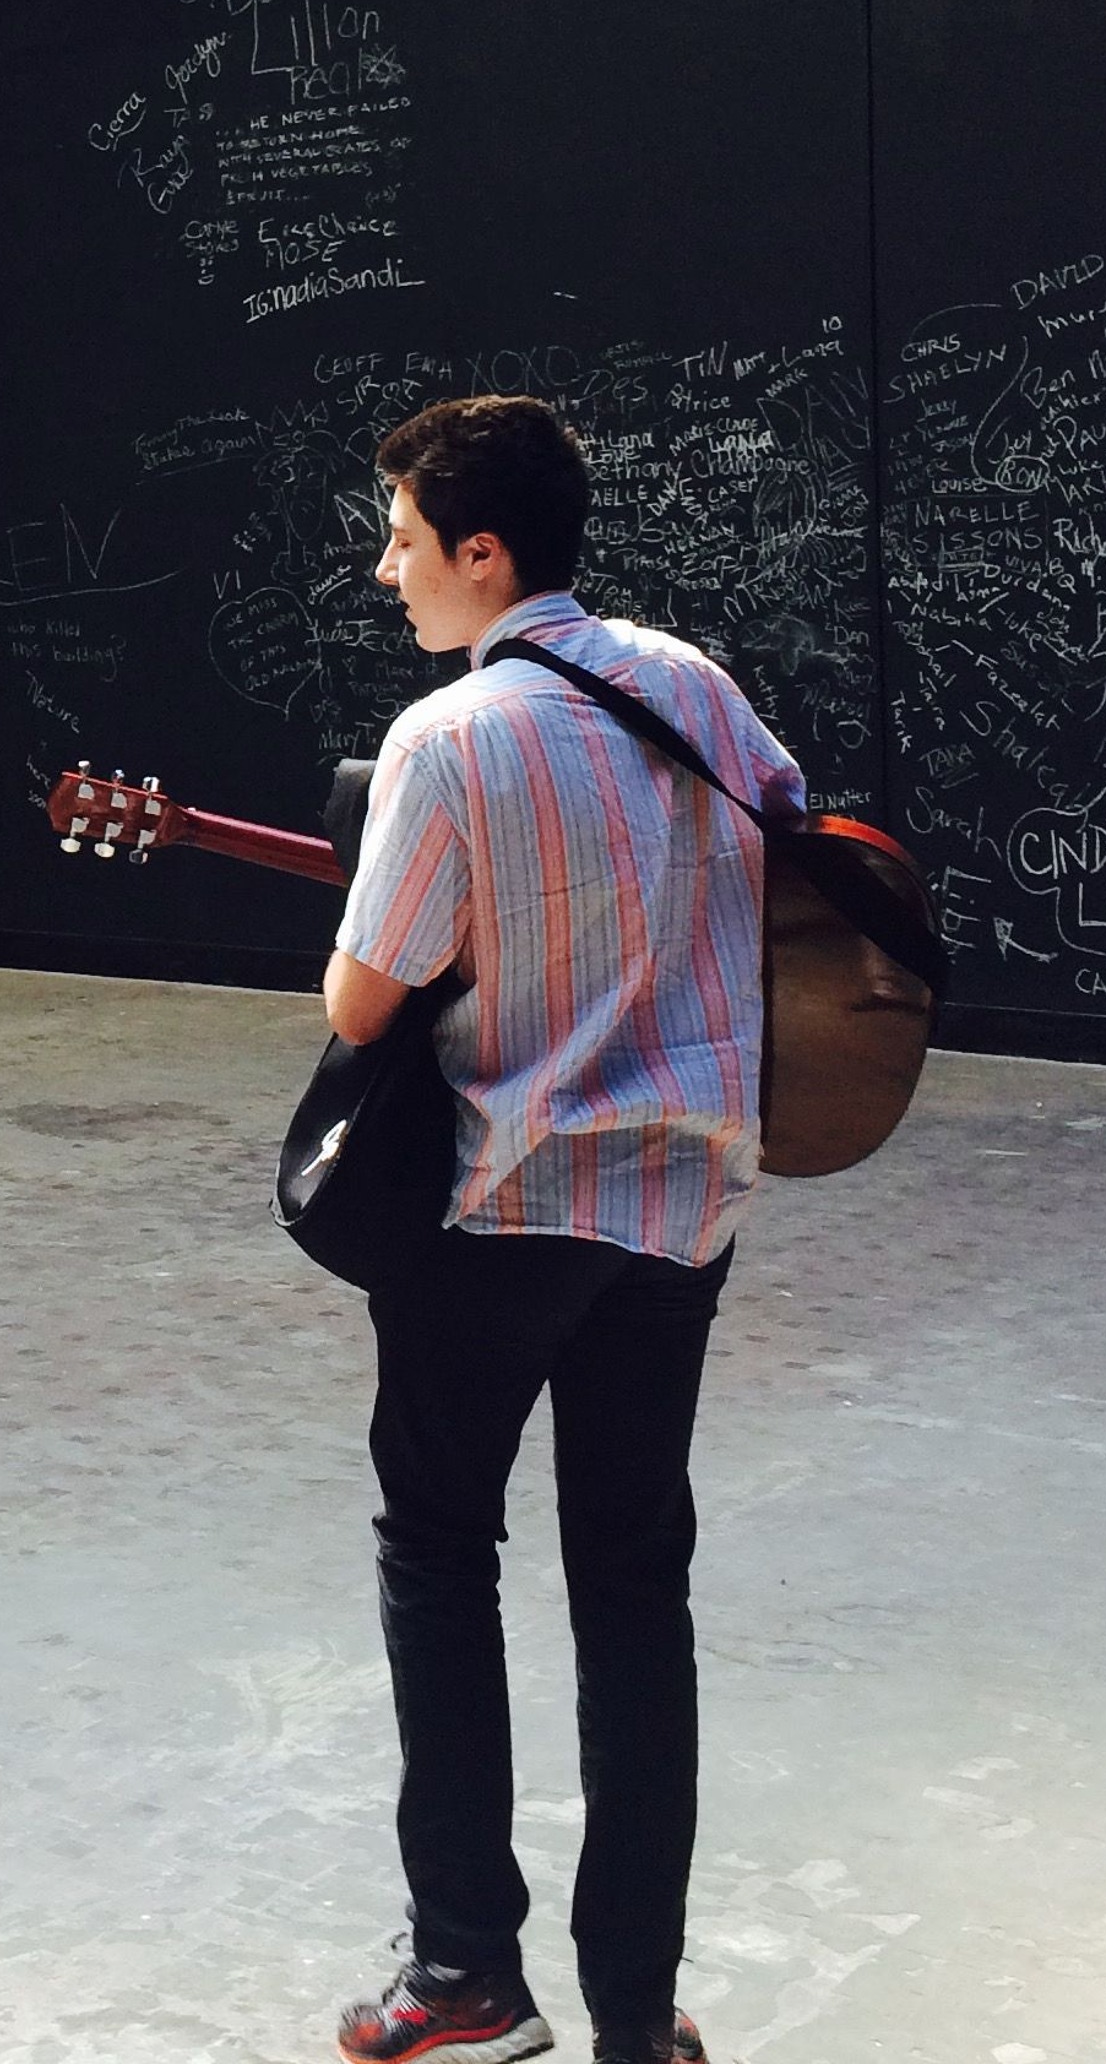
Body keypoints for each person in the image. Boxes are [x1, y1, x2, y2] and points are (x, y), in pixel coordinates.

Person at [322, 397, 803, 2064]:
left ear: (482, 552)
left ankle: (466, 1972)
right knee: (635, 1585)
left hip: (502, 1205)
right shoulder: (695, 688)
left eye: (403, 538)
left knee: (440, 1551)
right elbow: (788, 856)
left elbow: (365, 999)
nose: (386, 569)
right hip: (681, 1208)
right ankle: (634, 2013)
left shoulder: (447, 741)